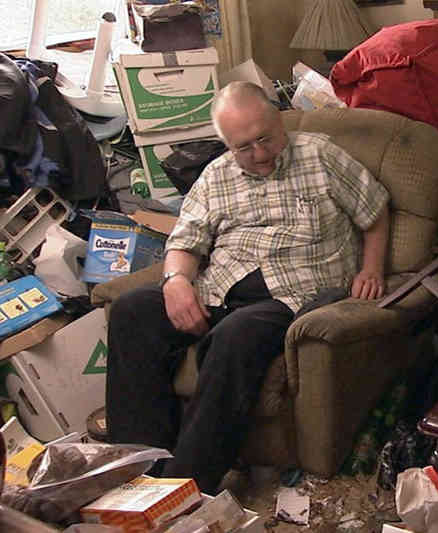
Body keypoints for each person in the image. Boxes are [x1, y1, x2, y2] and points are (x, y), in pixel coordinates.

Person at [105, 82, 391, 492]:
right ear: (225, 144)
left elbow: (375, 210)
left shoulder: (321, 155)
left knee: (236, 336)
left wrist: (371, 268)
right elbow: (185, 242)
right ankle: (138, 472)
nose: (259, 156)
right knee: (133, 310)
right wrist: (176, 281)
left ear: (279, 120)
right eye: (243, 147)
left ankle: (185, 486)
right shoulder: (216, 176)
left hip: (292, 295)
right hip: (219, 289)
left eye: (265, 139)